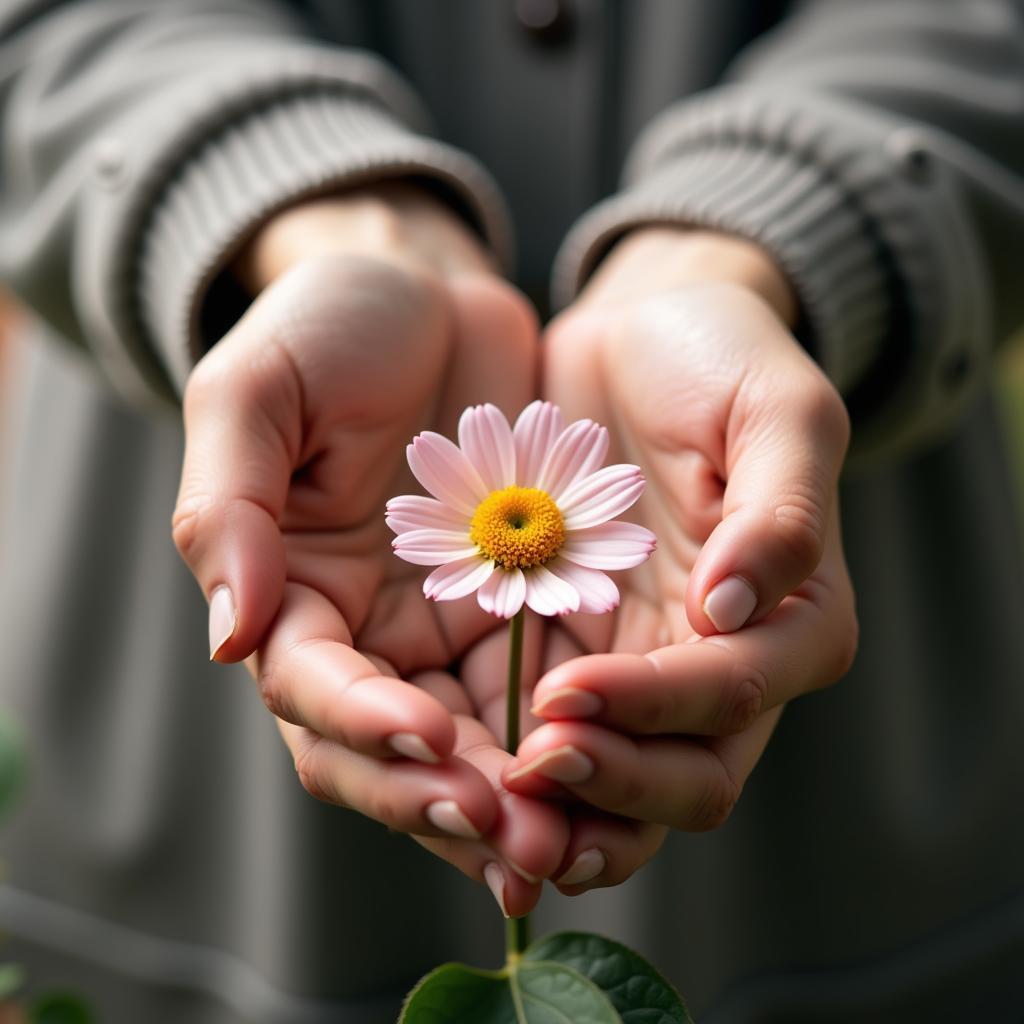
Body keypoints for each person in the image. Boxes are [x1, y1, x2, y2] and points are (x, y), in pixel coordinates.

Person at [1, 0, 1023, 1020]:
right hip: (179, 649)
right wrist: (297, 205)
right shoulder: (466, 519)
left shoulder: (563, 517)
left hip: (849, 708)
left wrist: (761, 233)